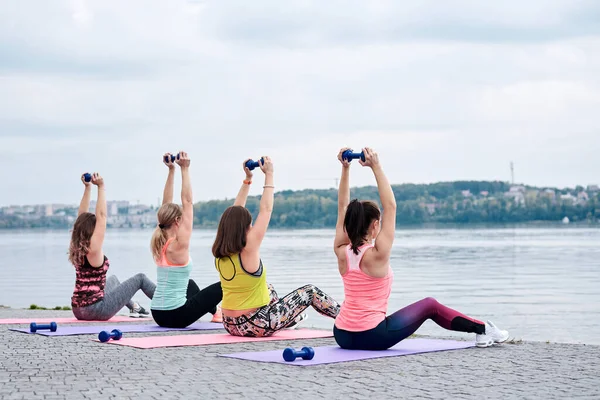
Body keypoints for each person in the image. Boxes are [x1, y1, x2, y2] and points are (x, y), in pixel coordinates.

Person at [332, 147, 510, 350]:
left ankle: (483, 329)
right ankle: (483, 329)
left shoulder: (341, 251)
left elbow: (342, 208)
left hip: (343, 335)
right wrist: (376, 166)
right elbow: (390, 206)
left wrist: (345, 169)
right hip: (372, 336)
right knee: (430, 305)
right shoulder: (377, 254)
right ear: (374, 225)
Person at [212, 156, 340, 337]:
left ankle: (290, 319)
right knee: (310, 292)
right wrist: (269, 175)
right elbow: (266, 209)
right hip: (254, 324)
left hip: (229, 323)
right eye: (249, 224)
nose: (251, 227)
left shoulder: (220, 252)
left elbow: (234, 214)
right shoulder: (249, 248)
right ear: (245, 227)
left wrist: (247, 180)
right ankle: (347, 319)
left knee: (268, 288)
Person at [150, 151, 223, 328]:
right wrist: (185, 168)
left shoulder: (160, 239)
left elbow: (165, 205)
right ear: (177, 221)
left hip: (157, 313)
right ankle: (235, 315)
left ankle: (217, 313)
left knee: (189, 284)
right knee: (226, 284)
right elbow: (188, 202)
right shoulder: (179, 245)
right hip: (176, 315)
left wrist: (171, 171)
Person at [70, 172, 155, 320]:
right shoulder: (93, 249)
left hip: (78, 309)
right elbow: (102, 216)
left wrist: (88, 188)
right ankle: (169, 305)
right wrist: (101, 187)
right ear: (93, 229)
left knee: (114, 280)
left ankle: (135, 307)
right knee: (140, 278)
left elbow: (81, 216)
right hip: (95, 310)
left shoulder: (77, 245)